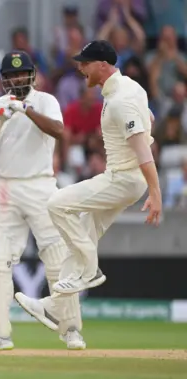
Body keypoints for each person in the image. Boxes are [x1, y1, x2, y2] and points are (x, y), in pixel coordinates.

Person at [0, 51, 85, 350]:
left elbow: (58, 130)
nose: (16, 79)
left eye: (21, 74)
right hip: (4, 188)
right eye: (10, 75)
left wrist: (24, 109)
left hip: (41, 185)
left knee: (57, 257)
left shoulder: (45, 101)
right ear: (3, 80)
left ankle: (71, 329)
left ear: (32, 75)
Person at [45, 40, 160, 294]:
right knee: (86, 231)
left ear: (103, 65)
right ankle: (55, 307)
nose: (81, 68)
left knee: (56, 204)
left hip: (124, 178)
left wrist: (156, 193)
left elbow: (144, 151)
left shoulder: (120, 100)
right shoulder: (130, 87)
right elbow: (149, 117)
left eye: (85, 63)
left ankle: (91, 268)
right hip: (127, 178)